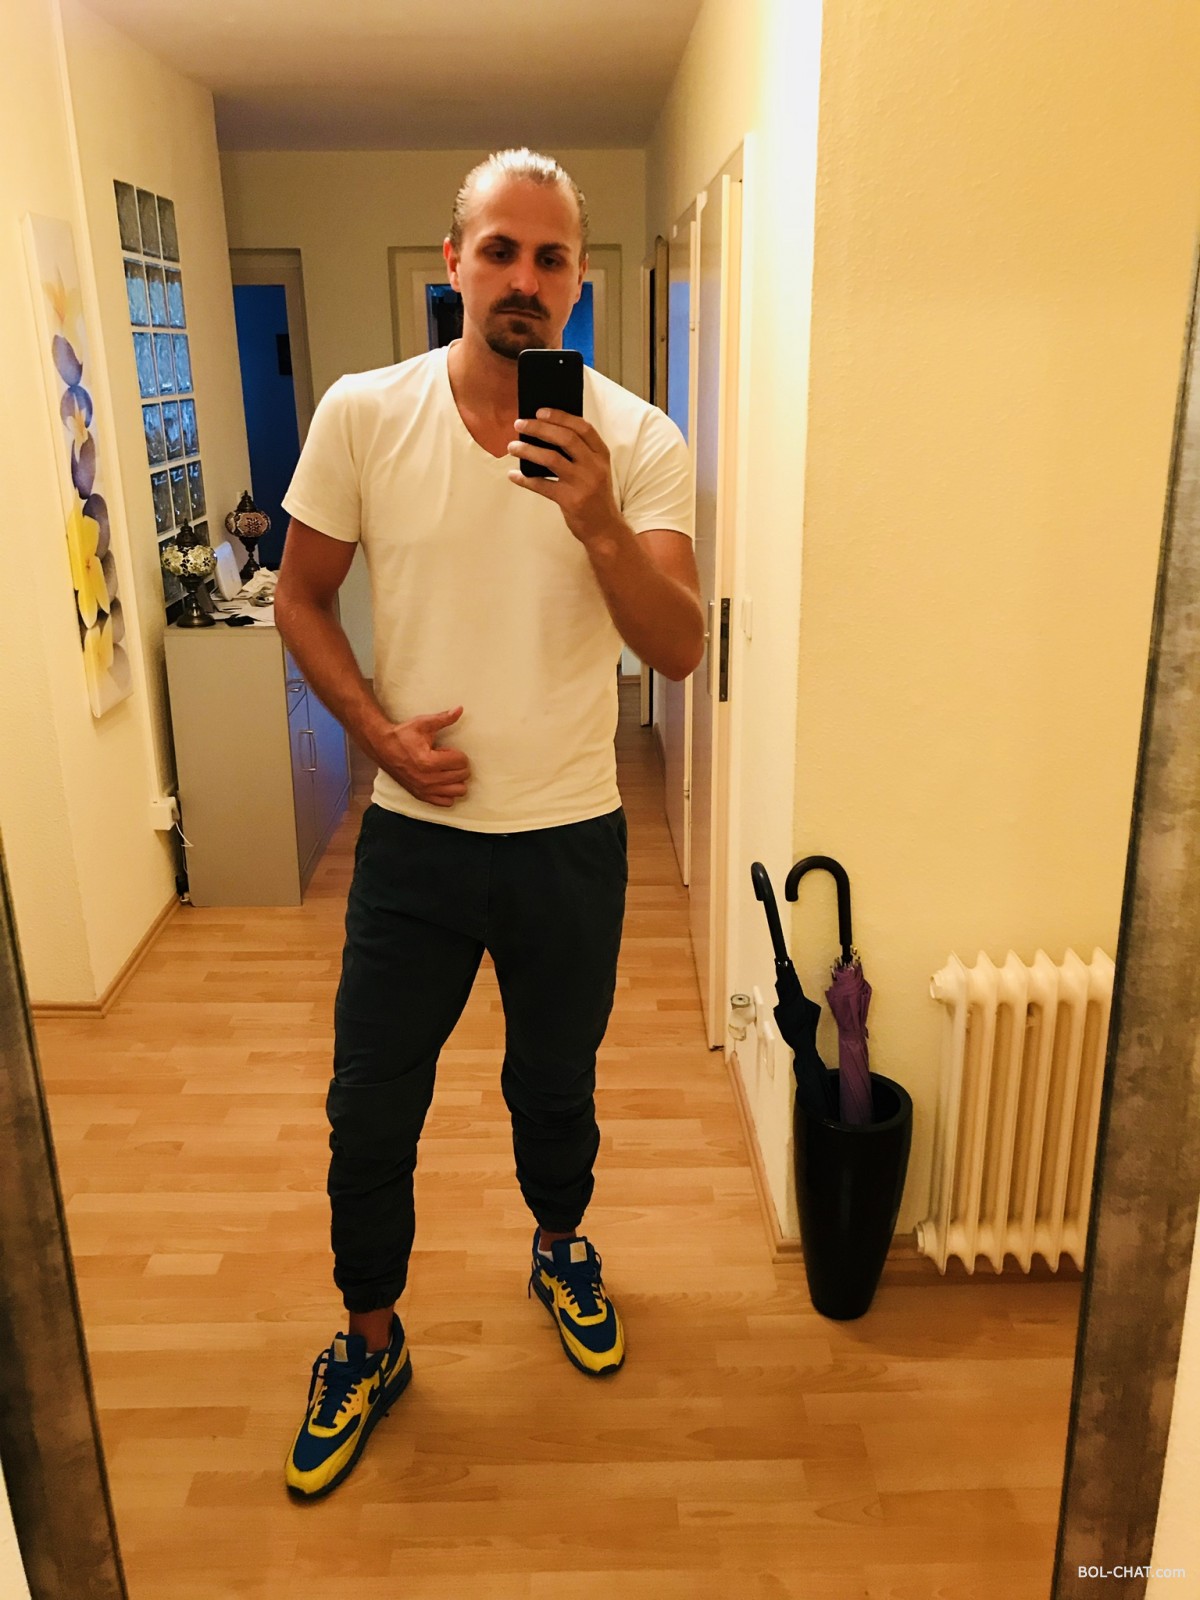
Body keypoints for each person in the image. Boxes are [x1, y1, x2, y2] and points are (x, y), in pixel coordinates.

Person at [276, 147, 704, 1499]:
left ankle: (560, 1245)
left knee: (554, 1085)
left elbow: (679, 647)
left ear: (577, 281)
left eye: (551, 256)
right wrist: (376, 736)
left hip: (571, 836)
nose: (525, 277)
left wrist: (599, 523)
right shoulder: (363, 413)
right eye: (501, 249)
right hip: (414, 840)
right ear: (453, 258)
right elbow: (299, 595)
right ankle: (370, 1340)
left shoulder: (637, 440)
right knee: (368, 1108)